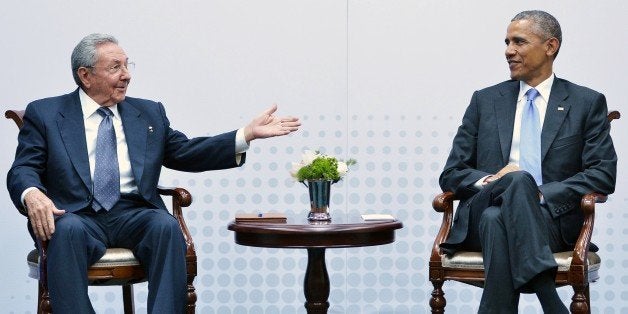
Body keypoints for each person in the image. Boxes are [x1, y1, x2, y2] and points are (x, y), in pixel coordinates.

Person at [6, 33, 300, 314]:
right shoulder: (46, 113)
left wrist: (245, 135)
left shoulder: (147, 113)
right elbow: (24, 168)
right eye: (115, 67)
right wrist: (32, 193)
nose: (127, 74)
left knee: (165, 226)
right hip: (75, 215)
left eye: (127, 65)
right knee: (66, 230)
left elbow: (184, 151)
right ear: (85, 75)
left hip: (132, 213)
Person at [439, 10, 616, 313]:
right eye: (507, 42)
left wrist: (541, 193)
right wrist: (497, 180)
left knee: (499, 218)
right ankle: (549, 298)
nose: (509, 50)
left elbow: (602, 175)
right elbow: (452, 173)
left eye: (519, 42)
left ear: (550, 46)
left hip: (551, 222)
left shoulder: (586, 103)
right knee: (516, 180)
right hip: (480, 214)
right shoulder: (485, 101)